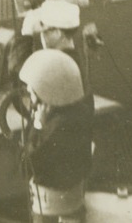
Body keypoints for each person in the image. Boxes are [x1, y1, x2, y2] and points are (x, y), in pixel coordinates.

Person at [18, 50, 94, 223]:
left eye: (33, 93)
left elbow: (26, 166)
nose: (30, 96)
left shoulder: (52, 128)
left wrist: (37, 125)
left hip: (49, 203)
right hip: (75, 196)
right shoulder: (81, 109)